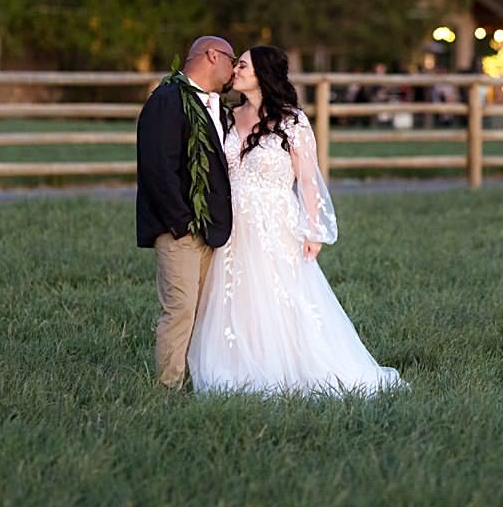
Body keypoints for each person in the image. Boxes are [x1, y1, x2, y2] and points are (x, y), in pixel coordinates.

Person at [188, 45, 406, 396]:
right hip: (233, 226)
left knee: (282, 297)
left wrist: (313, 228)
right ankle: (239, 365)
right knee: (236, 299)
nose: (236, 71)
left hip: (276, 224)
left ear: (263, 74)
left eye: (243, 65)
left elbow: (308, 180)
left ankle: (291, 364)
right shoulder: (228, 116)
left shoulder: (292, 121)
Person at [136, 36, 237, 389]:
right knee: (179, 310)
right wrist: (182, 224)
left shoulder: (216, 107)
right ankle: (168, 389)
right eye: (231, 59)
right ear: (212, 55)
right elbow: (157, 169)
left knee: (203, 313)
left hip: (211, 229)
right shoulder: (167, 101)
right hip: (179, 228)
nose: (234, 68)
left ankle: (200, 380)